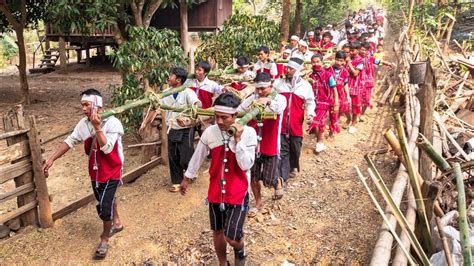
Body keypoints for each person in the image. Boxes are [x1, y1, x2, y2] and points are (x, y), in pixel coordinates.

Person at [42, 88, 124, 259]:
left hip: (112, 170)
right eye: (82, 105)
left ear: (98, 106)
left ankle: (104, 239)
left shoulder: (113, 122)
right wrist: (51, 159)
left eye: (87, 105)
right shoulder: (83, 124)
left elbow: (107, 149)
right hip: (95, 171)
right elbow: (70, 141)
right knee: (103, 198)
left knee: (104, 207)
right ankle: (117, 222)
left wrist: (97, 127)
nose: (83, 109)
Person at [180, 92, 257, 266]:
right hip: (216, 191)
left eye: (224, 117)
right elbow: (198, 156)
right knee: (217, 231)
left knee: (232, 236)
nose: (219, 122)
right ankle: (223, 262)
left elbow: (246, 165)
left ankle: (240, 249)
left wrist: (237, 140)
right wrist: (187, 177)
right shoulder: (210, 132)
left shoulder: (249, 133)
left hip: (238, 192)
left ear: (235, 116)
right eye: (216, 117)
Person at [142, 67, 201, 192]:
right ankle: (176, 181)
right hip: (172, 127)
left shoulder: (187, 92)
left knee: (185, 155)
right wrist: (145, 123)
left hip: (186, 128)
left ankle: (191, 170)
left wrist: (194, 111)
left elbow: (196, 103)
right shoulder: (166, 93)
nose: (168, 77)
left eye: (171, 76)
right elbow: (154, 108)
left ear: (178, 80)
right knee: (173, 156)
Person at [237, 72, 287, 214]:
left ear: (271, 86)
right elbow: (240, 110)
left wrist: (268, 101)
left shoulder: (280, 98)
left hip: (270, 142)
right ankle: (258, 202)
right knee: (253, 176)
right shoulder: (252, 98)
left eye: (263, 89)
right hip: (253, 143)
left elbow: (279, 108)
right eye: (257, 88)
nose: (260, 92)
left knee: (268, 178)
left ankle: (277, 181)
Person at [274, 57, 315, 180]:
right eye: (287, 68)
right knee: (283, 149)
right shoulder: (279, 83)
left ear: (297, 70)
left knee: (295, 148)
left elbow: (310, 102)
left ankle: (292, 166)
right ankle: (283, 176)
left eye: (291, 68)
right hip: (281, 123)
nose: (287, 70)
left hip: (295, 124)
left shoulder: (305, 86)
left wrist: (310, 114)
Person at [308, 54, 338, 153]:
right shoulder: (309, 75)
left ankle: (319, 142)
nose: (316, 64)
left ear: (322, 62)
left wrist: (336, 103)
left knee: (318, 122)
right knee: (316, 122)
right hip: (312, 102)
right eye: (313, 62)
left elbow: (334, 89)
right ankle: (320, 141)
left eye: (318, 62)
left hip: (324, 103)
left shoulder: (328, 75)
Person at [328, 51, 351, 133]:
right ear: (335, 59)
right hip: (330, 94)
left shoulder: (345, 72)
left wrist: (348, 95)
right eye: (337, 60)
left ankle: (349, 119)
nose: (338, 62)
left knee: (344, 109)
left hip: (341, 94)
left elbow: (345, 84)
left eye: (341, 61)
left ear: (344, 61)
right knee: (334, 113)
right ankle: (332, 130)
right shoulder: (329, 69)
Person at [346, 42, 365, 134]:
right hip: (346, 85)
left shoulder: (360, 61)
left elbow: (355, 73)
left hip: (356, 86)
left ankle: (353, 124)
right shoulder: (349, 59)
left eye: (352, 50)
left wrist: (349, 63)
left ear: (357, 50)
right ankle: (349, 120)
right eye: (350, 50)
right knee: (345, 104)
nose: (350, 52)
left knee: (355, 106)